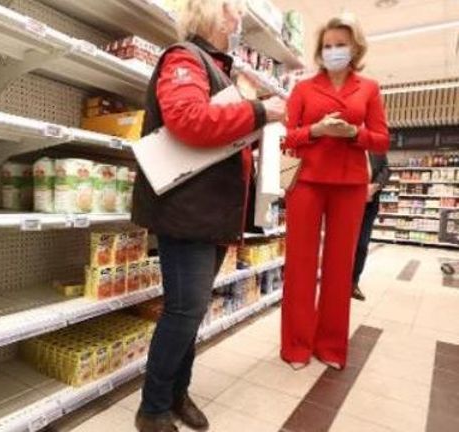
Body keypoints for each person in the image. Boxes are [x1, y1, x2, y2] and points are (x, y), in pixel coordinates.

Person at [131, 0, 286, 430]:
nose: (239, 19)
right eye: (235, 10)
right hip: (186, 212)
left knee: (192, 311)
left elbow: (219, 135)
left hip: (208, 213)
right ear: (216, 14)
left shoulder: (217, 68)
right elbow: (188, 120)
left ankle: (177, 394)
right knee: (184, 310)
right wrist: (259, 112)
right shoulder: (184, 58)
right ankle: (154, 407)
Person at [280, 15, 389, 371]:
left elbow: (382, 139)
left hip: (350, 185)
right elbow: (288, 136)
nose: (333, 51)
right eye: (327, 46)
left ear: (354, 48)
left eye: (340, 45)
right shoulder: (303, 89)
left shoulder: (369, 88)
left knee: (340, 267)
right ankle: (296, 345)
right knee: (300, 264)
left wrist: (352, 135)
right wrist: (316, 129)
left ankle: (330, 345)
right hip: (307, 183)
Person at [352, 153, 390, 301]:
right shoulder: (349, 143)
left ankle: (353, 282)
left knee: (362, 245)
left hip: (369, 204)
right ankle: (338, 282)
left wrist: (375, 186)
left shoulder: (376, 147)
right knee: (343, 244)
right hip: (348, 200)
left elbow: (386, 169)